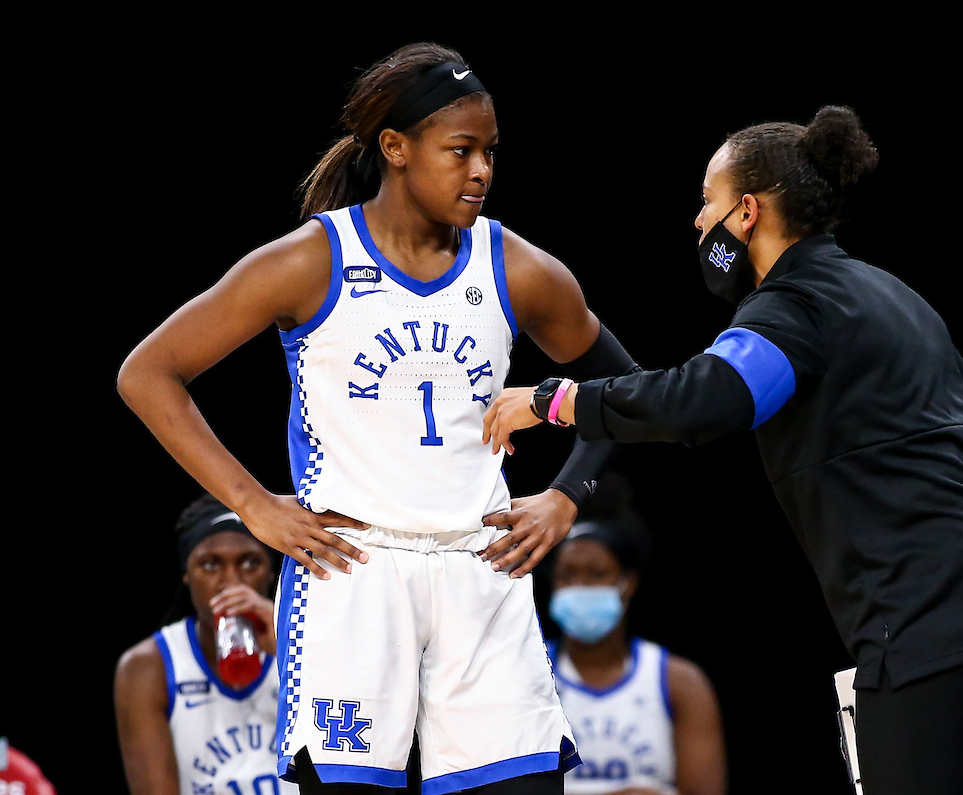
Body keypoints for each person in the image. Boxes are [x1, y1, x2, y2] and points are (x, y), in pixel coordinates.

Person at [482, 105, 963, 795]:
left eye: (708, 203)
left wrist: (557, 400)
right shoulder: (899, 297)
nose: (699, 224)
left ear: (747, 213)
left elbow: (704, 400)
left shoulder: (794, 306)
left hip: (925, 619)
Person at [117, 42, 640, 794]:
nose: (482, 171)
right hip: (353, 573)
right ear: (395, 149)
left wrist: (566, 497)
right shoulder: (313, 259)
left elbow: (623, 383)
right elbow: (148, 374)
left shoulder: (517, 267)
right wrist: (253, 506)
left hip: (478, 566)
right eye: (461, 151)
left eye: (490, 151)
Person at [543, 476, 726, 795]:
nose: (581, 587)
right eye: (568, 575)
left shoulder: (679, 684)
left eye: (597, 574)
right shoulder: (527, 678)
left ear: (627, 583)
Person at [114, 493, 298, 795]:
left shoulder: (303, 646)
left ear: (271, 573)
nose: (231, 582)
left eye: (250, 562)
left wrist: (290, 647)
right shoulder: (149, 666)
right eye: (211, 565)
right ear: (187, 574)